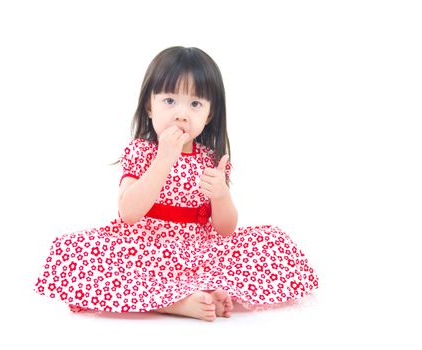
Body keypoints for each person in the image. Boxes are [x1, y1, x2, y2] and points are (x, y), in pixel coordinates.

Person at [34, 46, 319, 322]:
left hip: (199, 250)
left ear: (208, 115)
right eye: (169, 101)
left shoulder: (211, 159)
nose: (181, 114)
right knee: (77, 249)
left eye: (195, 104)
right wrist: (162, 161)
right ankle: (178, 302)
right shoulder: (141, 151)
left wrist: (220, 195)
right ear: (149, 106)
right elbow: (128, 213)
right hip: (144, 251)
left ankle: (203, 288)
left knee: (272, 240)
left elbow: (226, 229)